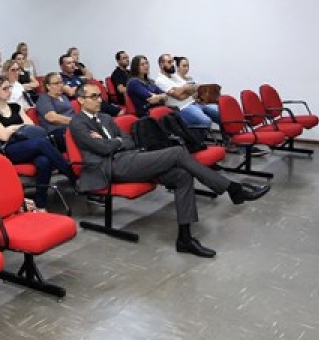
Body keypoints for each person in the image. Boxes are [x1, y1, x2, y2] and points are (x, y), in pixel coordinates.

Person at [70, 83, 270, 258]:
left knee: (182, 175)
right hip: (110, 167)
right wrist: (116, 142)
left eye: (99, 95)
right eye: (93, 96)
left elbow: (129, 141)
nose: (99, 99)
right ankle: (233, 188)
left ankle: (185, 238)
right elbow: (103, 149)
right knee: (176, 152)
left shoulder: (105, 118)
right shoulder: (77, 123)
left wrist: (114, 142)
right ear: (80, 100)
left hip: (129, 158)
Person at [0, 76, 76, 210]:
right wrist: (17, 128)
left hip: (27, 143)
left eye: (9, 87)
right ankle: (71, 175)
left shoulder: (15, 107)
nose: (9, 91)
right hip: (10, 149)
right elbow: (3, 136)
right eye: (5, 88)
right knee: (41, 143)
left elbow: (31, 126)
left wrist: (12, 128)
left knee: (44, 161)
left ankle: (40, 205)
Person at [156, 54, 220, 128]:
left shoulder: (174, 76)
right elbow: (178, 96)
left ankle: (228, 137)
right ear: (161, 64)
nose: (173, 65)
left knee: (221, 114)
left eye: (173, 62)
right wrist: (184, 88)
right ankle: (194, 138)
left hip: (194, 103)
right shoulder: (160, 80)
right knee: (206, 121)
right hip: (182, 108)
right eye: (169, 62)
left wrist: (183, 90)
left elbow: (192, 89)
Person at [35, 71, 75, 143]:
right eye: (56, 83)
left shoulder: (64, 97)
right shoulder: (44, 98)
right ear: (48, 86)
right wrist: (74, 122)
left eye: (61, 82)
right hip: (57, 131)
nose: (60, 85)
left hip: (71, 127)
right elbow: (52, 117)